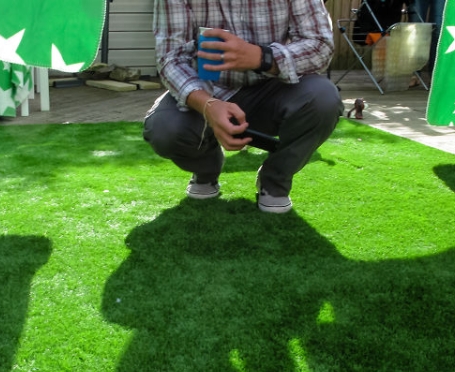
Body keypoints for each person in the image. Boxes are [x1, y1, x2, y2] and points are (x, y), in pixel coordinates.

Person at [142, 0, 344, 214]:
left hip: (276, 87)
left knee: (324, 99)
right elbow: (171, 58)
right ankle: (207, 166)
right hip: (207, 88)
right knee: (165, 130)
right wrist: (208, 105)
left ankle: (274, 181)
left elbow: (320, 45)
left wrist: (261, 57)